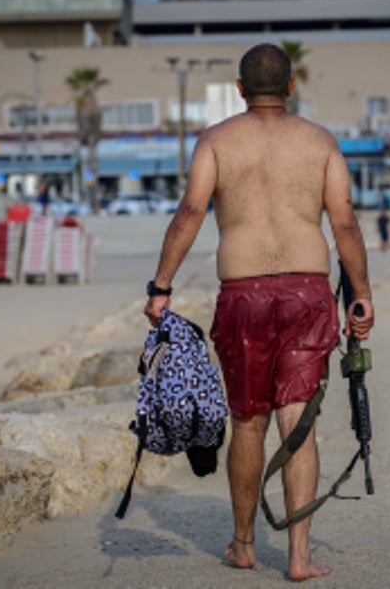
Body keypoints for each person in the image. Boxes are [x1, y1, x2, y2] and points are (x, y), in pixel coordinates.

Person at [143, 43, 374, 582]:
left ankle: (244, 545)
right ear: (291, 87)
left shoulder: (216, 142)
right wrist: (361, 294)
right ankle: (297, 556)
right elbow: (345, 226)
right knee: (300, 422)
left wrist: (161, 287)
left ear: (241, 89)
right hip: (307, 296)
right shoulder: (319, 143)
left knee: (249, 422)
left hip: (242, 296)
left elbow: (191, 212)